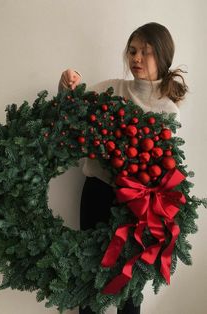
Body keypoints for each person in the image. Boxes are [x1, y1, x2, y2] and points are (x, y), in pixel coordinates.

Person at [58, 22, 188, 314]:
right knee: (89, 277)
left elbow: (158, 164)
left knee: (129, 285)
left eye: (146, 52)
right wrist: (68, 86)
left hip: (137, 205)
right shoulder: (110, 89)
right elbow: (72, 113)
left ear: (163, 57)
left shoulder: (168, 109)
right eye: (132, 50)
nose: (137, 58)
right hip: (97, 193)